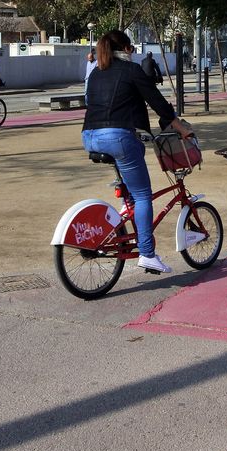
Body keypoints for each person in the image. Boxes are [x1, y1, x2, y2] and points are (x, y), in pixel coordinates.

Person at [82, 30, 191, 274]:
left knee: (131, 187)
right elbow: (157, 102)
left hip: (89, 136)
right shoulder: (131, 70)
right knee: (144, 195)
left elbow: (99, 102)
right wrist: (180, 128)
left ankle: (124, 208)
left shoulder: (97, 73)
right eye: (132, 49)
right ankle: (147, 253)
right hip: (117, 137)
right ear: (127, 49)